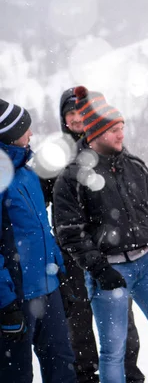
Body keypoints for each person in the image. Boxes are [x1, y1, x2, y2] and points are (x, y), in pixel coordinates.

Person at [53, 86, 148, 383]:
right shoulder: (73, 177)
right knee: (113, 351)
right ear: (96, 133)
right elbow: (69, 233)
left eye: (122, 127)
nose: (121, 134)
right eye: (114, 129)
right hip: (110, 269)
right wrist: (100, 270)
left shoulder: (135, 166)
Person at [44, 88, 145, 383]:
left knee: (121, 318)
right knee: (78, 319)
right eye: (69, 113)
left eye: (80, 112)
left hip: (109, 248)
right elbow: (40, 201)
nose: (75, 118)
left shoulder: (104, 146)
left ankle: (130, 374)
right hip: (73, 252)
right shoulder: (56, 153)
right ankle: (86, 375)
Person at [0, 98, 77, 382]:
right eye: (25, 129)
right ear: (8, 134)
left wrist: (60, 274)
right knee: (15, 374)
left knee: (63, 366)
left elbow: (42, 231)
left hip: (47, 287)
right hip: (16, 295)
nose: (31, 134)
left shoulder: (28, 174)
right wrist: (5, 303)